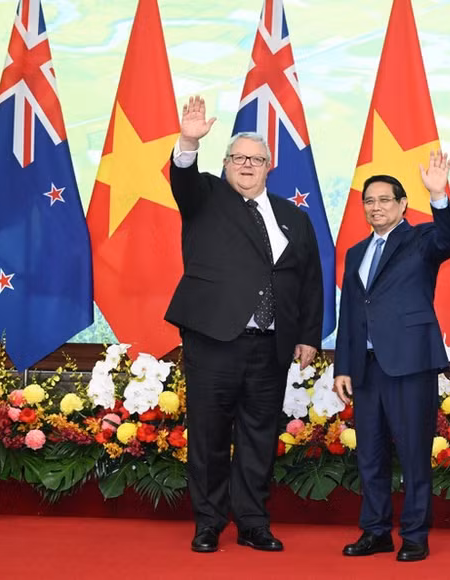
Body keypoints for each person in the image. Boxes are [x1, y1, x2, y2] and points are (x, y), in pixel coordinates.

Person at [165, 95, 324, 553]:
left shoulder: (294, 217)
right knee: (210, 437)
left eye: (256, 159)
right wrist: (188, 141)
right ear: (226, 163)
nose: (247, 165)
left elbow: (309, 280)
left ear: (269, 167)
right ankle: (209, 523)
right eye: (238, 158)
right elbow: (184, 179)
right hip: (215, 340)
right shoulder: (207, 198)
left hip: (270, 347)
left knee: (258, 439)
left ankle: (253, 523)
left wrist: (308, 336)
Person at [334, 152, 450, 562]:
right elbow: (351, 312)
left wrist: (439, 195)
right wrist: (343, 367)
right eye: (369, 201)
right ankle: (375, 531)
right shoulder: (356, 252)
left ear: (403, 204)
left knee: (412, 453)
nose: (376, 207)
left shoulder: (422, 238)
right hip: (367, 369)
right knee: (369, 455)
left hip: (410, 364)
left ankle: (414, 534)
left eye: (385, 200)